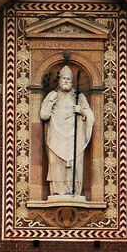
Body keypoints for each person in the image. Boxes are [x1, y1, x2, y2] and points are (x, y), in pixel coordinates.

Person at [35, 59, 94, 201]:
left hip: (75, 137)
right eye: (64, 78)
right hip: (56, 136)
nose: (66, 81)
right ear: (59, 80)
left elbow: (90, 115)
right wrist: (50, 102)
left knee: (75, 164)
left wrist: (81, 111)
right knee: (56, 165)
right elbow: (43, 115)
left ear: (72, 81)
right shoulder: (52, 95)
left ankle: (74, 191)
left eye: (69, 79)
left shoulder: (79, 97)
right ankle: (57, 191)